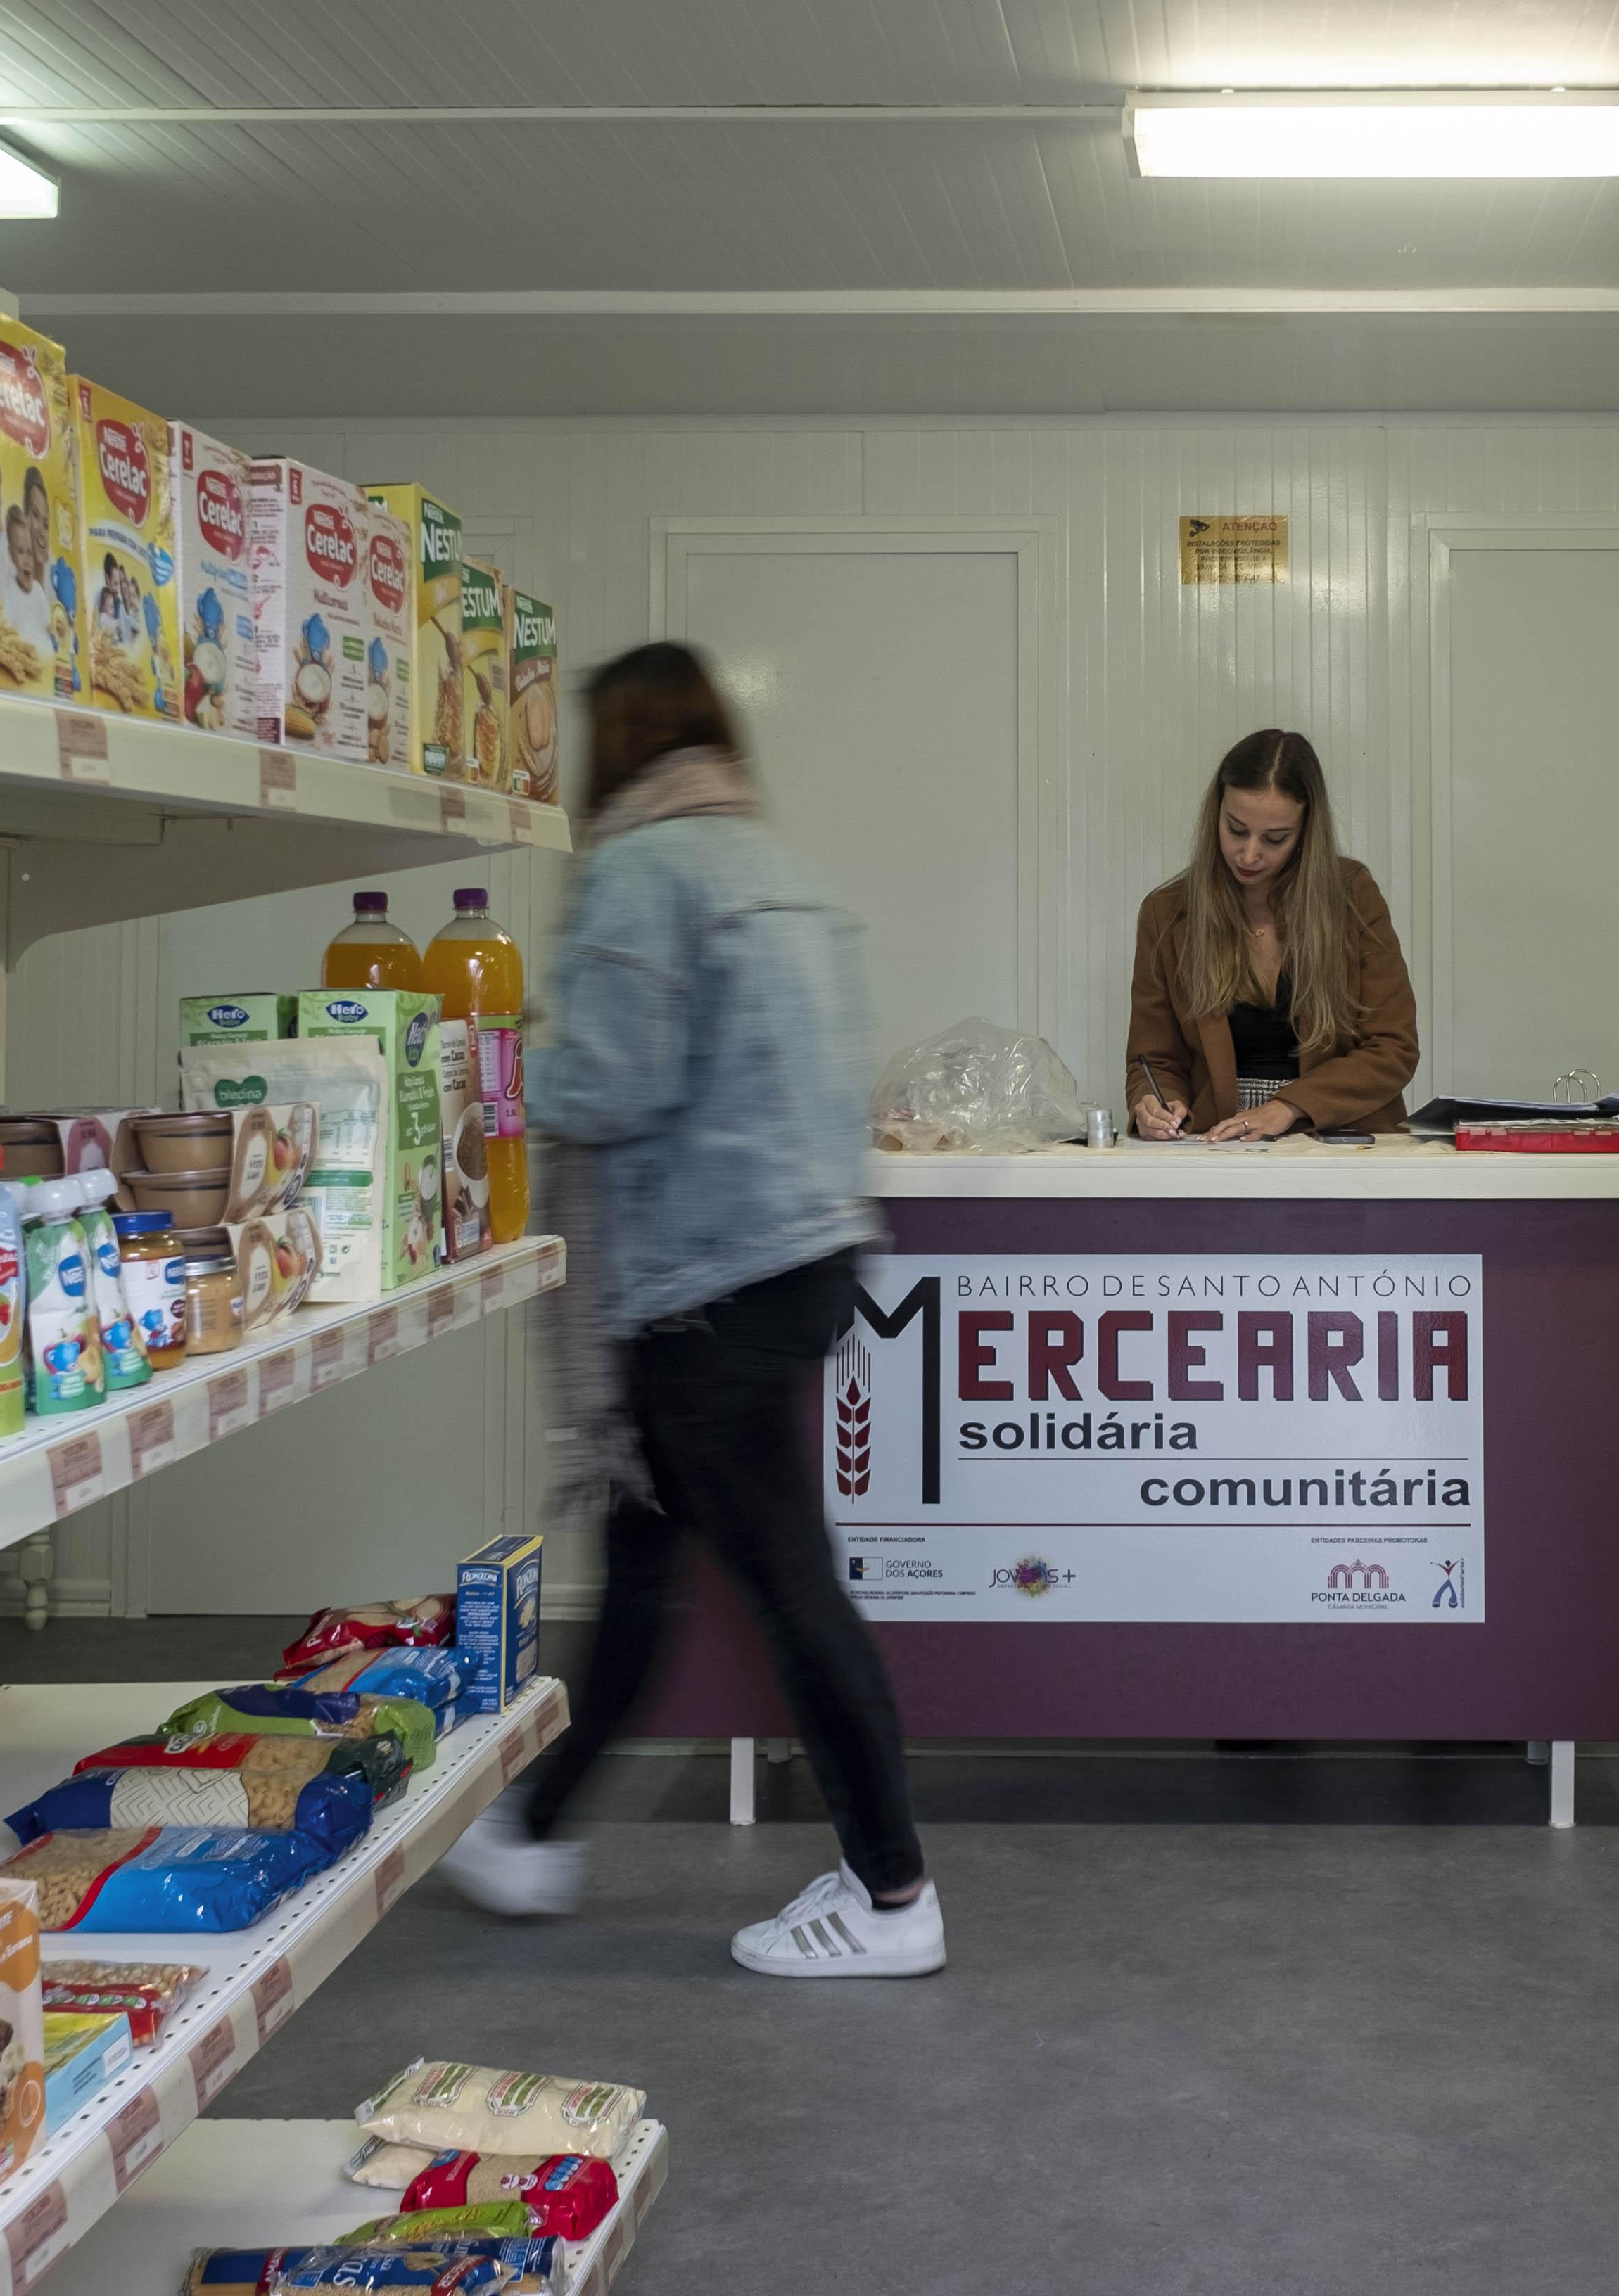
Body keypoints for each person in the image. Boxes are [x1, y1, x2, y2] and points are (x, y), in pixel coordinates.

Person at [440, 639, 944, 1979]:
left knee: (788, 1585)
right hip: (802, 1255)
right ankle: (535, 1832)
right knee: (648, 1561)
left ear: (618, 746)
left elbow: (609, 1084)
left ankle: (893, 1893)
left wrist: (479, 1074)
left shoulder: (640, 867)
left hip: (703, 1284)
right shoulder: (782, 869)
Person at [1126, 728, 1419, 1142]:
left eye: (1275, 839)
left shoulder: (1352, 896)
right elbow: (1152, 1060)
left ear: (1306, 833)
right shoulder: (1167, 913)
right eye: (1236, 829)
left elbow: (1393, 1048)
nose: (1249, 855)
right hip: (1216, 1145)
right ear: (1216, 815)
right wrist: (1157, 1105)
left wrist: (1288, 1107)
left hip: (1340, 1140)